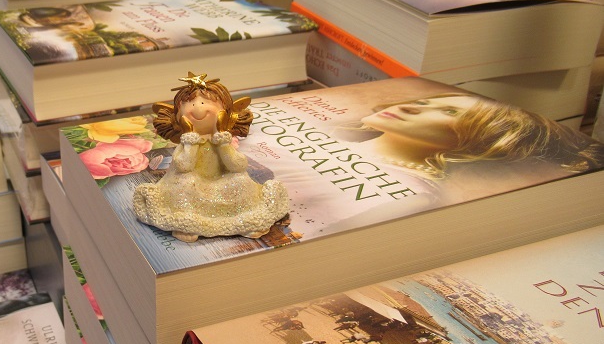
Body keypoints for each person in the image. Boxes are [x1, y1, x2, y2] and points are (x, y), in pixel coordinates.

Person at [264, 89, 604, 235]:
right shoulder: (321, 133)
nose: (413, 106)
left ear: (481, 138)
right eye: (428, 101)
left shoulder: (408, 197)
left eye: (449, 112)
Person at [133, 72, 289, 242]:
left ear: (227, 113)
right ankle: (187, 221)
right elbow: (184, 166)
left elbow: (237, 166)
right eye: (191, 104)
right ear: (177, 117)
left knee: (239, 180)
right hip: (193, 183)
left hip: (221, 181)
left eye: (203, 103)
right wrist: (191, 141)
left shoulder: (222, 140)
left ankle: (245, 219)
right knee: (185, 182)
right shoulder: (187, 142)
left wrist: (222, 142)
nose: (198, 108)